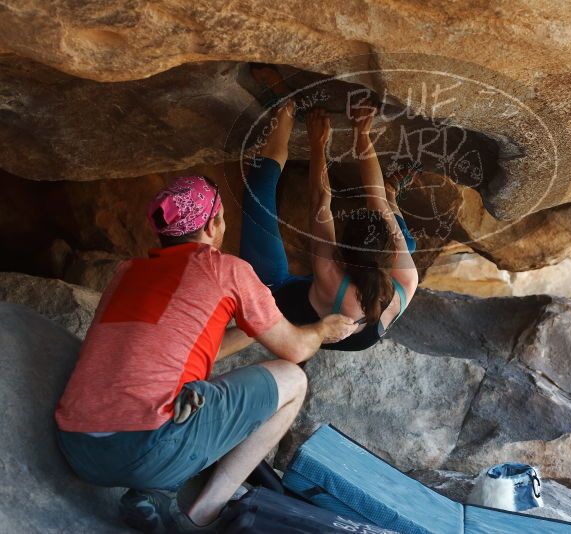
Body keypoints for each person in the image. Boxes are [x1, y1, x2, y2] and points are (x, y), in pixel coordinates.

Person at [54, 110, 358, 533]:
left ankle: (154, 493)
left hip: (77, 446)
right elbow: (295, 349)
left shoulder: (127, 272)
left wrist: (253, 329)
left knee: (187, 390)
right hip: (146, 445)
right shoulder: (224, 269)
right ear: (215, 221)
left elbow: (195, 346)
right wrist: (324, 329)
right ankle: (205, 512)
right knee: (294, 381)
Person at [240, 98, 420, 352]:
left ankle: (286, 107)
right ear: (388, 252)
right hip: (352, 318)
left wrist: (318, 143)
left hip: (289, 308)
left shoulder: (331, 274)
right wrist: (362, 133)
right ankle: (394, 194)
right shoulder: (407, 279)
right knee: (408, 245)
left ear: (341, 253)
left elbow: (320, 201)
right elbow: (377, 200)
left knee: (258, 190)